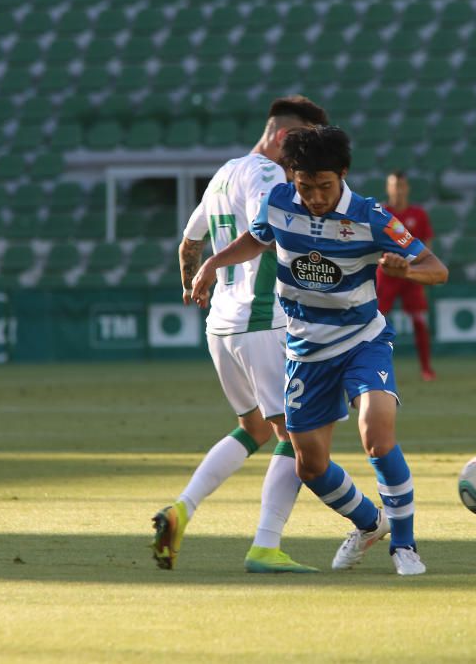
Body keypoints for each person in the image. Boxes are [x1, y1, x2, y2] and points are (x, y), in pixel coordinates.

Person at [190, 126, 448, 575]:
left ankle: (404, 546)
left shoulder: (370, 216)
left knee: (377, 428)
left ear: (343, 175)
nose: (314, 197)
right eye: (304, 186)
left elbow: (437, 269)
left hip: (361, 340)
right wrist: (214, 262)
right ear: (291, 177)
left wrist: (407, 271)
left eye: (324, 186)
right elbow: (258, 237)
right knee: (309, 465)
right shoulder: (278, 203)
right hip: (306, 349)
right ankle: (370, 523)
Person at [151, 96, 329, 573]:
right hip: (263, 321)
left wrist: (194, 282)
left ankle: (181, 508)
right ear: (285, 139)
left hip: (222, 329)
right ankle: (266, 546)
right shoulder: (268, 175)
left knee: (254, 429)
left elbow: (188, 240)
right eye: (304, 146)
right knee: (299, 440)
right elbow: (263, 231)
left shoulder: (224, 172)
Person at [377, 170, 436, 381]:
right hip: (387, 274)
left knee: (420, 322)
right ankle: (375, 367)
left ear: (407, 188)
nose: (398, 190)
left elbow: (427, 245)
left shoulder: (418, 214)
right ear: (388, 188)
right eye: (394, 185)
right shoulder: (382, 212)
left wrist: (422, 271)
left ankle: (426, 368)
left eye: (401, 185)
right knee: (375, 322)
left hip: (411, 275)